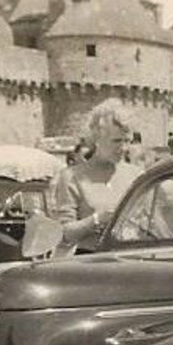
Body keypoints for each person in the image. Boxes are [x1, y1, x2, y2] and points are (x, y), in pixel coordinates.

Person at [50, 102, 141, 251]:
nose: (124, 148)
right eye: (117, 141)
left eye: (127, 141)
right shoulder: (72, 177)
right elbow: (63, 234)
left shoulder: (137, 175)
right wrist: (96, 220)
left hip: (132, 260)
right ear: (97, 138)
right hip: (91, 263)